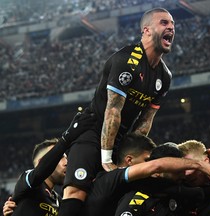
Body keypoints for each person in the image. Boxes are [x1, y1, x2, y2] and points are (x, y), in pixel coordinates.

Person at [60, 7, 176, 216]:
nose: (171, 28)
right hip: (92, 131)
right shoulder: (127, 61)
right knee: (76, 192)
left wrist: (130, 149)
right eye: (164, 23)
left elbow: (146, 119)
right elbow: (112, 111)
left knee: (111, 196)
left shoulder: (164, 77)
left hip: (120, 139)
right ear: (146, 30)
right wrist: (106, 159)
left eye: (172, 24)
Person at [83, 134, 210, 216]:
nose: (150, 163)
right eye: (147, 160)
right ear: (129, 160)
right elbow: (156, 166)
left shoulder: (151, 184)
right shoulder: (110, 181)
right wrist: (198, 164)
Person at [2, 112, 95, 216]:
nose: (67, 162)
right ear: (42, 161)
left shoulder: (59, 200)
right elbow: (39, 174)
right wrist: (66, 139)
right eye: (60, 158)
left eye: (66, 157)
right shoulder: (26, 183)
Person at [114, 142, 210, 216]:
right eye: (176, 170)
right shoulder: (137, 199)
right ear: (157, 172)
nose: (183, 174)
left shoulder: (185, 192)